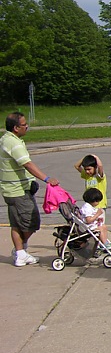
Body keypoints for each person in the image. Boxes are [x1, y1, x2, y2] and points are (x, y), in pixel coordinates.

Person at [1, 112, 60, 267]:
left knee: (17, 223)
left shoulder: (8, 139)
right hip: (17, 191)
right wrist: (47, 179)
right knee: (31, 222)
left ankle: (21, 252)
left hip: (13, 189)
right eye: (24, 124)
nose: (27, 126)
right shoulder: (13, 143)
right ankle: (20, 252)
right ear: (15, 128)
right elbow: (26, 163)